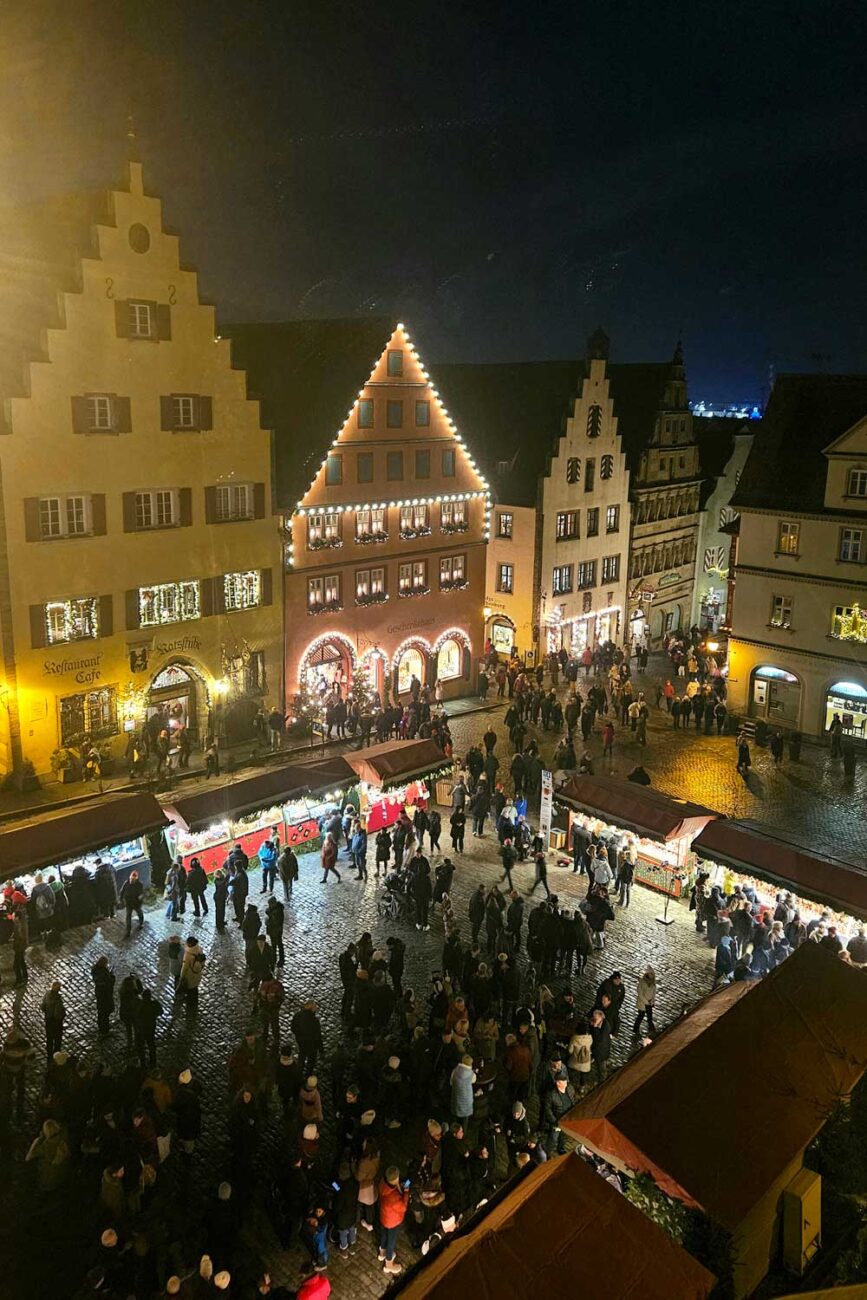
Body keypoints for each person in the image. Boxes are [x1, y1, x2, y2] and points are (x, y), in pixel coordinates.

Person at [378, 1167, 409, 1275]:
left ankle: (382, 1253)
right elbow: (404, 1207)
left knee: (384, 1235)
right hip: (393, 1221)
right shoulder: (394, 1197)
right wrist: (406, 1191)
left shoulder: (382, 1183)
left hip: (384, 1217)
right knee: (391, 1242)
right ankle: (389, 1264)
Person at [91, 956, 115, 1036]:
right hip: (104, 994)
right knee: (105, 1011)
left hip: (100, 993)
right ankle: (104, 1029)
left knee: (101, 1011)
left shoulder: (95, 970)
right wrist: (111, 978)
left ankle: (102, 1027)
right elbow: (107, 982)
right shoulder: (102, 971)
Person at [41, 981, 65, 1059]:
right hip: (56, 1022)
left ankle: (49, 1054)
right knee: (57, 1039)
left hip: (48, 1020)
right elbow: (58, 1013)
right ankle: (56, 1055)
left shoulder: (47, 994)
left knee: (49, 1038)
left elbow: (42, 1007)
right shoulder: (58, 999)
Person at [120, 870, 145, 937]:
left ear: (136, 879)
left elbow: (141, 893)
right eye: (131, 879)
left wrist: (140, 898)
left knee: (139, 913)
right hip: (128, 903)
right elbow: (122, 891)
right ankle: (128, 931)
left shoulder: (139, 885)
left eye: (133, 880)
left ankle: (141, 923)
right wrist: (121, 899)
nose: (131, 881)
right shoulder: (126, 882)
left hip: (136, 903)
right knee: (128, 917)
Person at [634, 966, 657, 1035]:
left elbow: (654, 992)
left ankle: (652, 1029)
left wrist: (652, 1001)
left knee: (649, 1017)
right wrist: (646, 1002)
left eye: (653, 974)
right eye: (651, 974)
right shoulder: (642, 982)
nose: (652, 976)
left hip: (649, 1003)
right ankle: (636, 1029)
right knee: (640, 1016)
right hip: (642, 1003)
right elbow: (640, 993)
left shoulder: (653, 983)